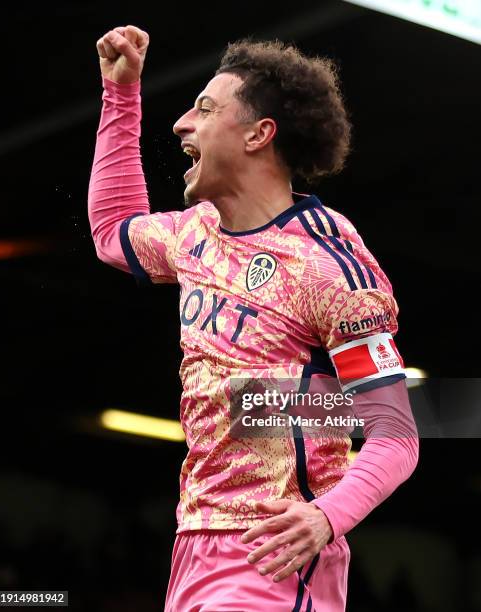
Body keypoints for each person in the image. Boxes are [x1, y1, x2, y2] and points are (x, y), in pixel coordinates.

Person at [89, 25, 419, 612]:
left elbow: (395, 436)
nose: (181, 124)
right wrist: (121, 94)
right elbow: (113, 233)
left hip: (276, 554)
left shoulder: (329, 265)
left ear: (258, 134)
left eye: (205, 109)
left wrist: (325, 517)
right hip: (193, 543)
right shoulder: (194, 235)